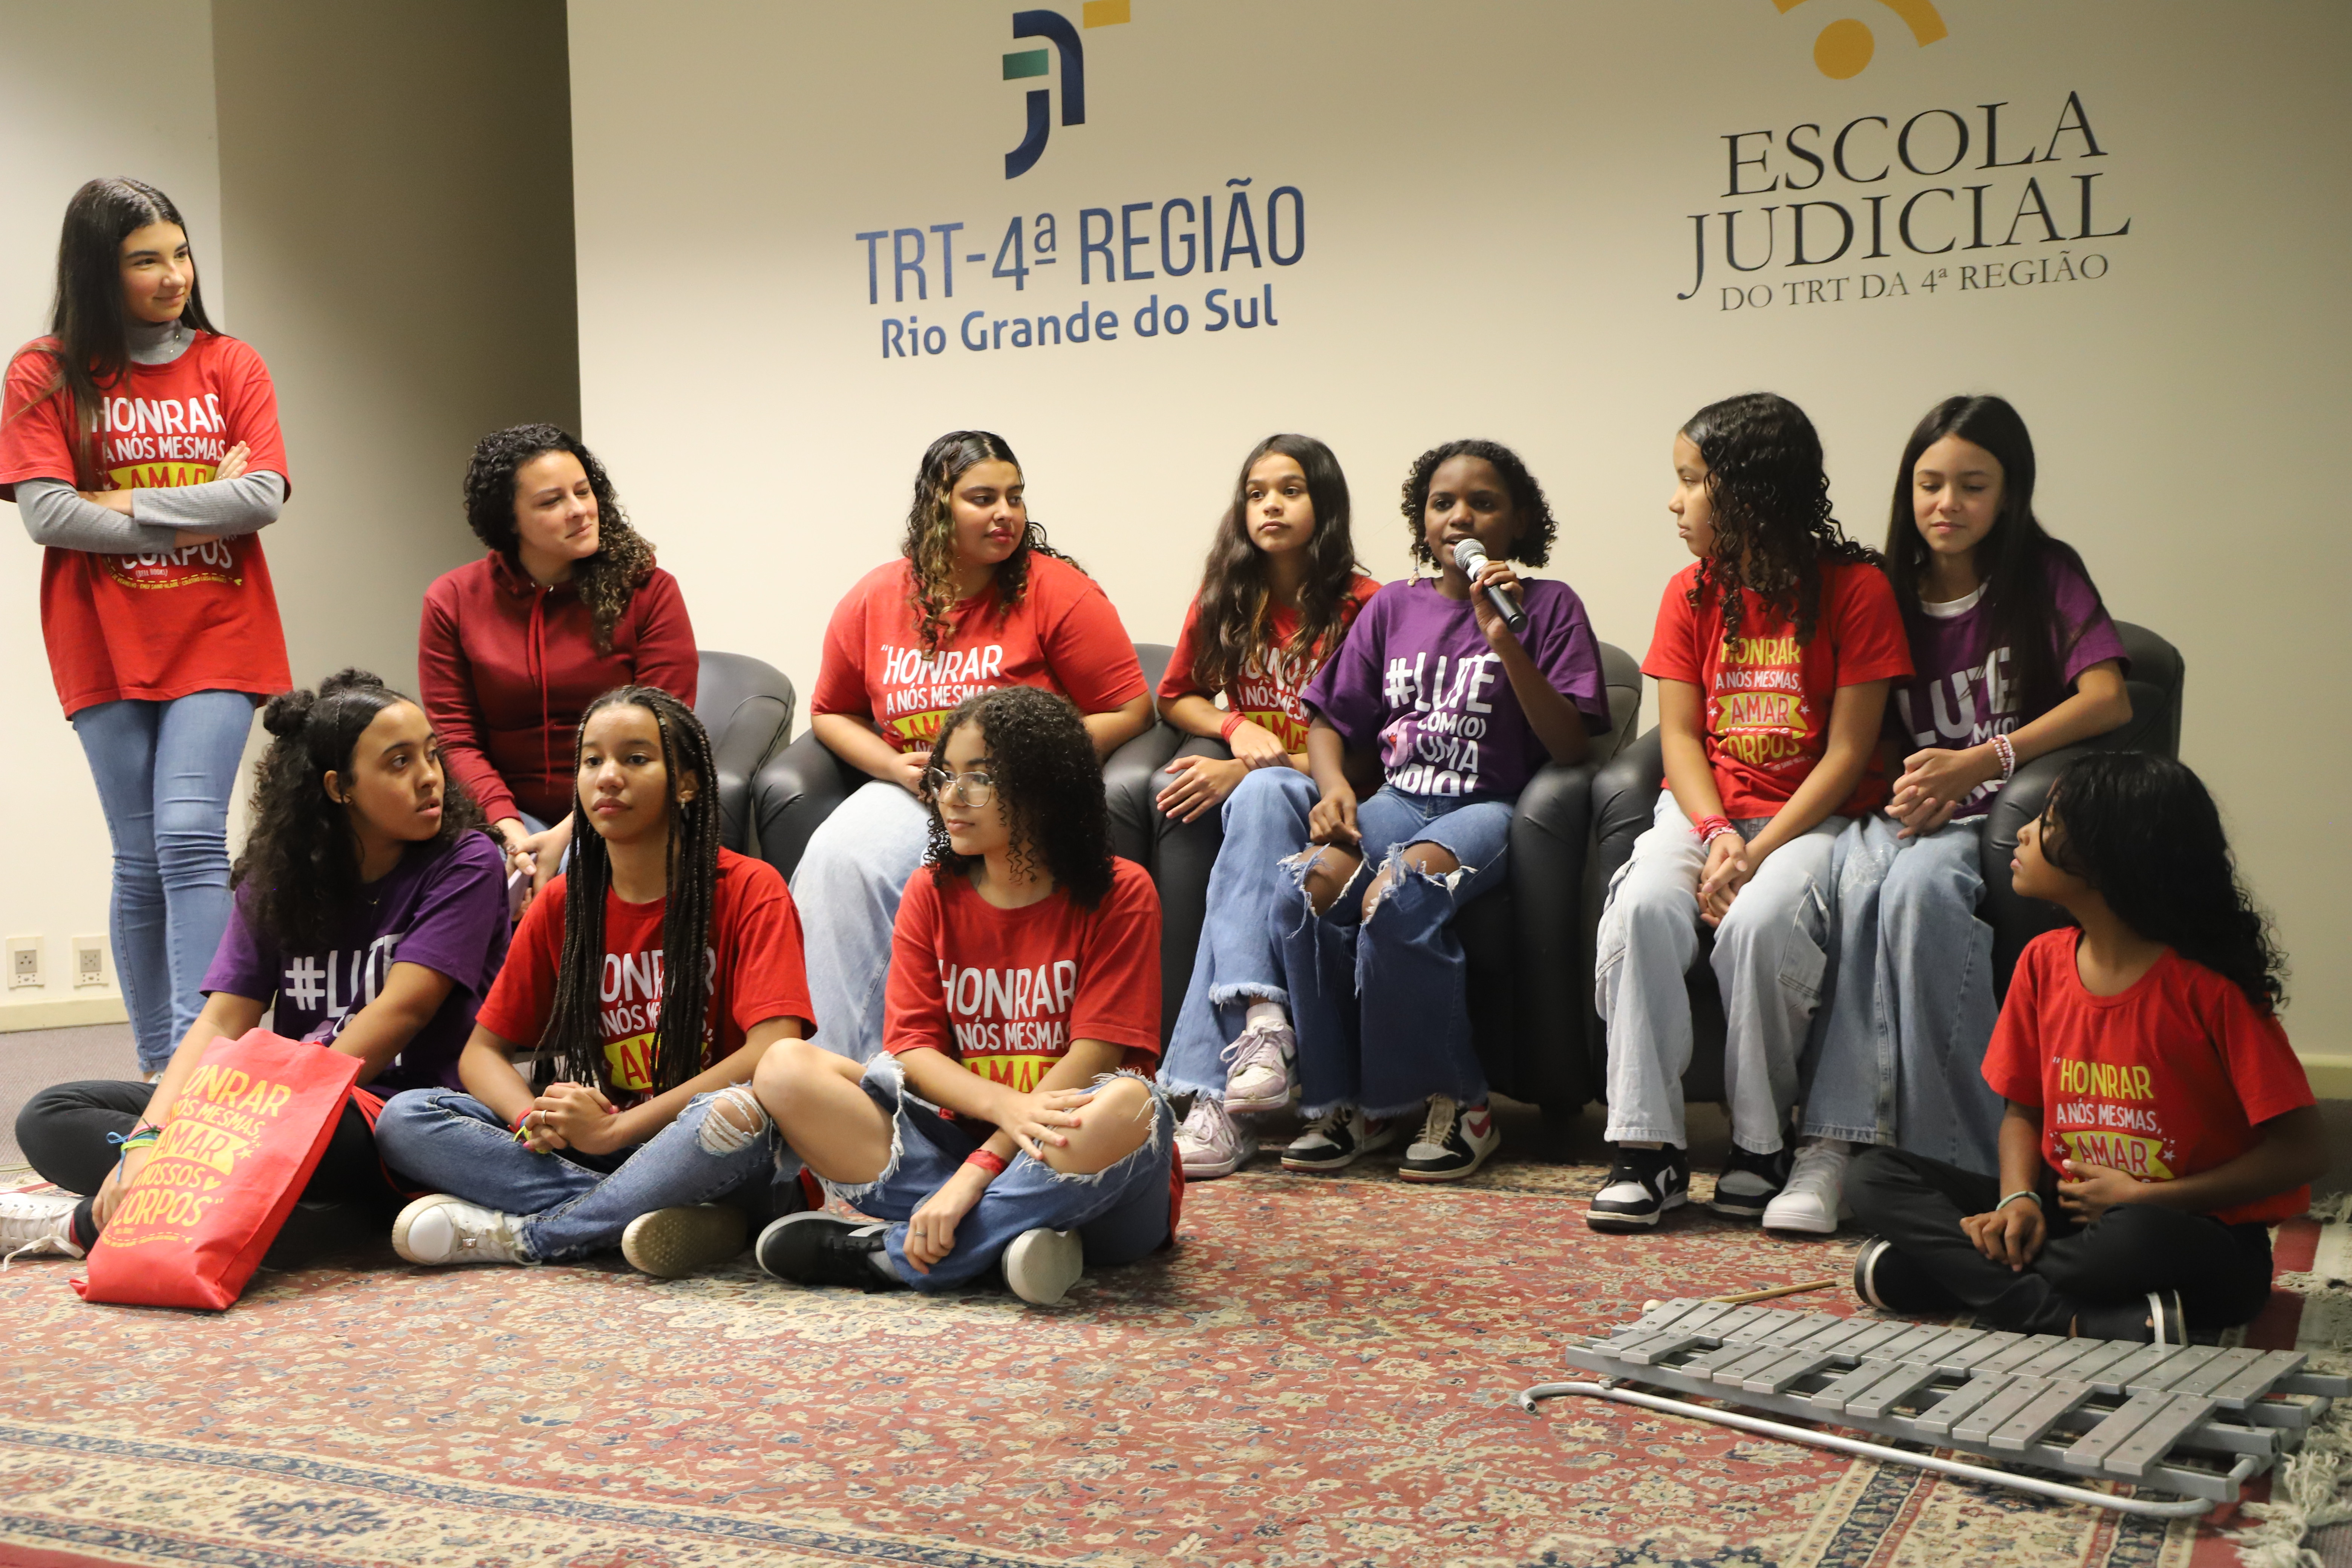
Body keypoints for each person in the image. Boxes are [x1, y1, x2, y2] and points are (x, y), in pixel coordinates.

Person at [1767, 395, 2134, 1231]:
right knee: (1857, 886)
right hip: (1909, 811)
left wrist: (1986, 758)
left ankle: (1961, 1156)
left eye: (1973, 486)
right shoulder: (1883, 586)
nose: (1947, 505)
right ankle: (1836, 1143)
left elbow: (2108, 699)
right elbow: (1863, 727)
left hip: (1999, 814)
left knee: (1921, 894)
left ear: (2009, 493)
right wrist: (1902, 778)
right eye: (1930, 483)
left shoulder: (2045, 573)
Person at [3, 672, 510, 1263]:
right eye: (399, 763)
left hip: (391, 1113)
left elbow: (404, 1009)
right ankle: (289, 1218)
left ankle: (90, 1225)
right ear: (338, 787)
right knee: (51, 1115)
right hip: (275, 1108)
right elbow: (223, 1022)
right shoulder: (281, 875)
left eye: (430, 754)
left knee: (335, 1140)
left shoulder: (468, 860)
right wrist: (148, 1139)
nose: (430, 777)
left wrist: (238, 1121)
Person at [1846, 753, 2324, 1342]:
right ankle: (2064, 1313)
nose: (2021, 831)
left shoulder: (2210, 989)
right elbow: (2023, 1110)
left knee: (2129, 1241)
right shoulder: (2043, 962)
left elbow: (2304, 1151)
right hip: (2067, 1217)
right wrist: (2018, 1199)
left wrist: (2152, 1197)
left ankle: (1952, 1277)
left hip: (2191, 1233)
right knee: (1873, 1176)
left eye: (2048, 823)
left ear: (2108, 857)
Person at [1587, 393, 1911, 1232]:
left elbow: (1847, 755)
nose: (1675, 501)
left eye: (1692, 482)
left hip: (1811, 820)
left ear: (1752, 492)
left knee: (1762, 925)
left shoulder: (1857, 588)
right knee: (1645, 908)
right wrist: (1719, 834)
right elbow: (1683, 739)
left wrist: (1760, 850)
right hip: (1707, 816)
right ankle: (1647, 1150)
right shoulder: (1689, 592)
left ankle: (1761, 1145)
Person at [0, 177, 292, 1076]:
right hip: (99, 637)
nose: (174, 276)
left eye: (180, 253)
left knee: (190, 836)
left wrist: (115, 500)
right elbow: (49, 516)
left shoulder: (230, 364)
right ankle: (157, 1067)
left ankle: (200, 1064)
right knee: (137, 856)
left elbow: (262, 497)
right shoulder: (43, 372)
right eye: (145, 261)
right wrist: (203, 501)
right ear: (98, 270)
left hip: (218, 626)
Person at [750, 685, 1173, 1306]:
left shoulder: (1121, 892)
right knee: (785, 1068)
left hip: (1078, 1172)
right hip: (954, 1150)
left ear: (1046, 786)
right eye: (947, 774)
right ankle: (1002, 1245)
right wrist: (996, 1117)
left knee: (1133, 1105)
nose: (951, 794)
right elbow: (914, 1050)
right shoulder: (931, 890)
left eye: (981, 778)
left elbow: (1094, 1061)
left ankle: (898, 1256)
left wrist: (980, 1173)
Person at [373, 686, 814, 1279]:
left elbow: (770, 1051)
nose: (608, 777)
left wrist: (617, 1130)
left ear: (686, 783)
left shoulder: (750, 888)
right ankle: (656, 1217)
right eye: (593, 761)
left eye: (635, 759)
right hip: (599, 1145)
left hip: (700, 1145)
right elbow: (483, 1055)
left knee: (737, 1113)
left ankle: (537, 1234)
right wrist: (536, 1121)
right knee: (406, 1117)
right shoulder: (561, 903)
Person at [1274, 440, 1611, 1182]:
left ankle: (1461, 1102)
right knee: (1303, 890)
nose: (1462, 515)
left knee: (1404, 891)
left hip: (1489, 812)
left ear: (1519, 521)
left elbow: (1569, 748)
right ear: (1423, 523)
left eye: (1484, 502)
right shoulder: (1395, 606)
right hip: (1397, 798)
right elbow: (1329, 718)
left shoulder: (1550, 608)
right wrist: (1333, 786)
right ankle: (1348, 1103)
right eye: (1443, 503)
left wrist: (1507, 640)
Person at [793, 430, 1149, 1063]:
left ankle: (894, 1088)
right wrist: (896, 769)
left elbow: (1129, 707)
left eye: (1014, 497)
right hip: (916, 785)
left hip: (1013, 794)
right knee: (837, 858)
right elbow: (830, 712)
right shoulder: (877, 595)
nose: (1005, 514)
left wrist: (1028, 764)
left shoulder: (1058, 590)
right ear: (938, 505)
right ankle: (840, 1076)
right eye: (983, 498)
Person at [1150, 435, 1378, 1179]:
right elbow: (1175, 693)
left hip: (1341, 798)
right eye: (1255, 492)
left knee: (1261, 788)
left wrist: (1258, 763)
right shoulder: (1229, 597)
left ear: (1326, 505)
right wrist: (1232, 727)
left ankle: (1214, 1095)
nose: (1270, 504)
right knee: (1252, 801)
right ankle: (1262, 1033)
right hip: (1259, 799)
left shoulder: (1368, 607)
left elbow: (1380, 742)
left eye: (1290, 489)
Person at [419, 423, 698, 908]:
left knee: (573, 879)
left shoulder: (649, 589)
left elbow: (663, 729)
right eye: (551, 502)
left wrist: (568, 834)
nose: (579, 511)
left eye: (583, 491)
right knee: (479, 878)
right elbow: (455, 738)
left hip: (621, 802)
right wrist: (511, 834)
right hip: (505, 812)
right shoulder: (453, 600)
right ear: (509, 521)